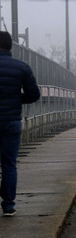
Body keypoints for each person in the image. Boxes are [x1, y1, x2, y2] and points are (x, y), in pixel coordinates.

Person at [0, 31, 40, 217]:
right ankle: (8, 205)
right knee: (9, 164)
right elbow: (34, 95)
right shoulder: (22, 67)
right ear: (10, 46)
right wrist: (16, 99)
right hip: (11, 121)